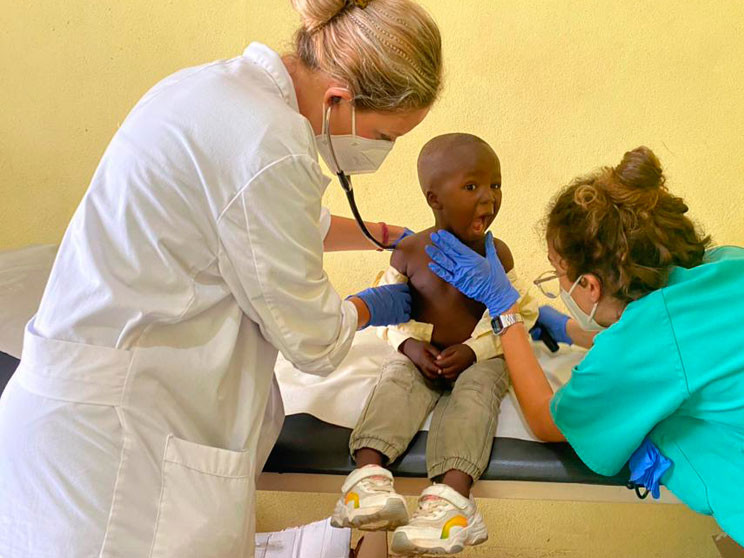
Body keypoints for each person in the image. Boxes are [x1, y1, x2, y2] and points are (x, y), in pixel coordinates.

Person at [0, 0, 443, 556]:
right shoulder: (270, 144)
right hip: (116, 454)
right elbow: (314, 339)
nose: (383, 150)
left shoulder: (209, 92)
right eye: (385, 135)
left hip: (75, 418)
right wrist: (383, 304)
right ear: (339, 100)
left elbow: (244, 220)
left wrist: (384, 233)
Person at [425, 146, 744, 557]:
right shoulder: (729, 265)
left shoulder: (652, 339)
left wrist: (505, 309)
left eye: (557, 275)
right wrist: (560, 326)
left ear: (589, 286)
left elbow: (545, 418)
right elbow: (690, 350)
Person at [331, 134, 537, 555]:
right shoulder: (408, 252)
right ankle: (368, 481)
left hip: (478, 356)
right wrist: (410, 347)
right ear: (434, 197)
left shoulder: (498, 255)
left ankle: (451, 502)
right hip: (423, 357)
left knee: (478, 392)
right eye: (471, 187)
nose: (488, 198)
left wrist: (474, 350)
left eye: (495, 185)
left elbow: (520, 313)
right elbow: (389, 313)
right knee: (394, 380)